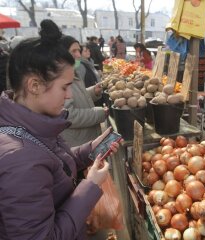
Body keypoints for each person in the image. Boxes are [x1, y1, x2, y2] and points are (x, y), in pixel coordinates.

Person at [0, 19, 119, 239]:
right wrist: (90, 185)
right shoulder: (19, 160)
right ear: (34, 85)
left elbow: (54, 162)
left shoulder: (35, 126)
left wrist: (90, 150)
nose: (69, 95)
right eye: (64, 87)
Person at [60, 35, 108, 147]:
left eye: (79, 50)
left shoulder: (72, 71)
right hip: (77, 144)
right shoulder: (60, 77)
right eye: (73, 51)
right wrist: (99, 113)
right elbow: (68, 115)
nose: (78, 55)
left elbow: (76, 96)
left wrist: (92, 91)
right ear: (62, 53)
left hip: (86, 140)